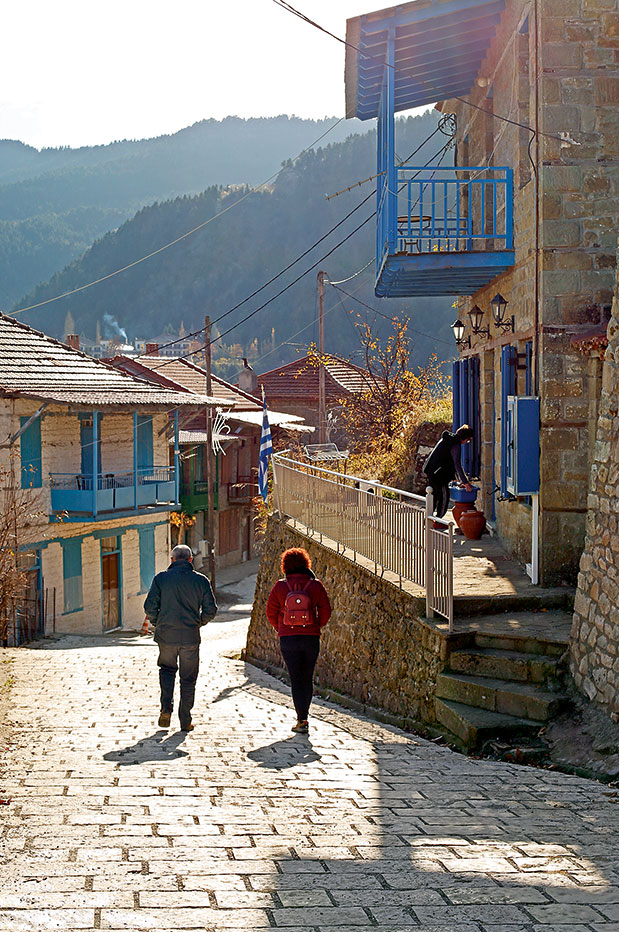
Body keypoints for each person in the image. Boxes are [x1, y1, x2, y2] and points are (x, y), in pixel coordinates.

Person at [144, 543, 217, 732]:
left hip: (166, 636)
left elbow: (149, 606)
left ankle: (165, 709)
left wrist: (158, 622)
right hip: (190, 638)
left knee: (167, 671)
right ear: (191, 560)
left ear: (172, 560)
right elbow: (211, 609)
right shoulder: (201, 581)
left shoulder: (161, 579)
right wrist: (198, 622)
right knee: (188, 678)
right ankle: (185, 719)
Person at [266, 547, 331, 734]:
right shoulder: (315, 585)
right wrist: (316, 626)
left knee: (296, 678)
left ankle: (300, 719)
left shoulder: (280, 586)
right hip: (310, 637)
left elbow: (271, 612)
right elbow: (325, 611)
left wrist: (282, 628)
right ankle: (305, 716)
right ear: (306, 564)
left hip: (288, 638)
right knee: (307, 677)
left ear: (285, 565)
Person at [423, 424, 474, 518]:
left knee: (433, 496)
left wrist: (455, 478)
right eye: (468, 440)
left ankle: (428, 519)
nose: (467, 442)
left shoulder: (448, 440)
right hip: (438, 474)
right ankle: (438, 520)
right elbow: (456, 463)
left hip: (432, 471)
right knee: (444, 497)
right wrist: (465, 482)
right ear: (464, 438)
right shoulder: (455, 444)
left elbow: (447, 460)